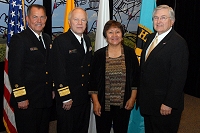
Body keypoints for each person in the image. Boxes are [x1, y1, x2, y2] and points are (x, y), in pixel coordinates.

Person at [138, 5, 189, 133]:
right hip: (149, 102)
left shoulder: (178, 43)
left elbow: (178, 77)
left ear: (172, 21)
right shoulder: (150, 38)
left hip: (164, 106)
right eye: (156, 18)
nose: (158, 21)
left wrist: (169, 103)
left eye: (163, 18)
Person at [8, 4, 54, 133]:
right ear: (27, 19)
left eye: (42, 17)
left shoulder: (47, 38)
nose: (39, 21)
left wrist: (51, 88)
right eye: (35, 17)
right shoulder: (20, 39)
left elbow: (48, 66)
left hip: (44, 99)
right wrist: (21, 97)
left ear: (45, 19)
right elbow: (14, 71)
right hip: (28, 101)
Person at [89, 20, 139, 133]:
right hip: (102, 104)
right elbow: (93, 81)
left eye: (117, 32)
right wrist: (96, 102)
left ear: (122, 35)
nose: (114, 35)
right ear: (106, 36)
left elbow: (136, 79)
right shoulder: (98, 55)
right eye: (110, 32)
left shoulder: (130, 53)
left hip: (124, 104)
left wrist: (132, 98)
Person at [51, 7, 92, 133]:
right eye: (76, 19)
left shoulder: (87, 39)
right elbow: (58, 71)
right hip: (69, 99)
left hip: (84, 97)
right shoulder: (61, 41)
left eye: (83, 20)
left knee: (82, 129)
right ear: (69, 22)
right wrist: (65, 97)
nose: (80, 23)